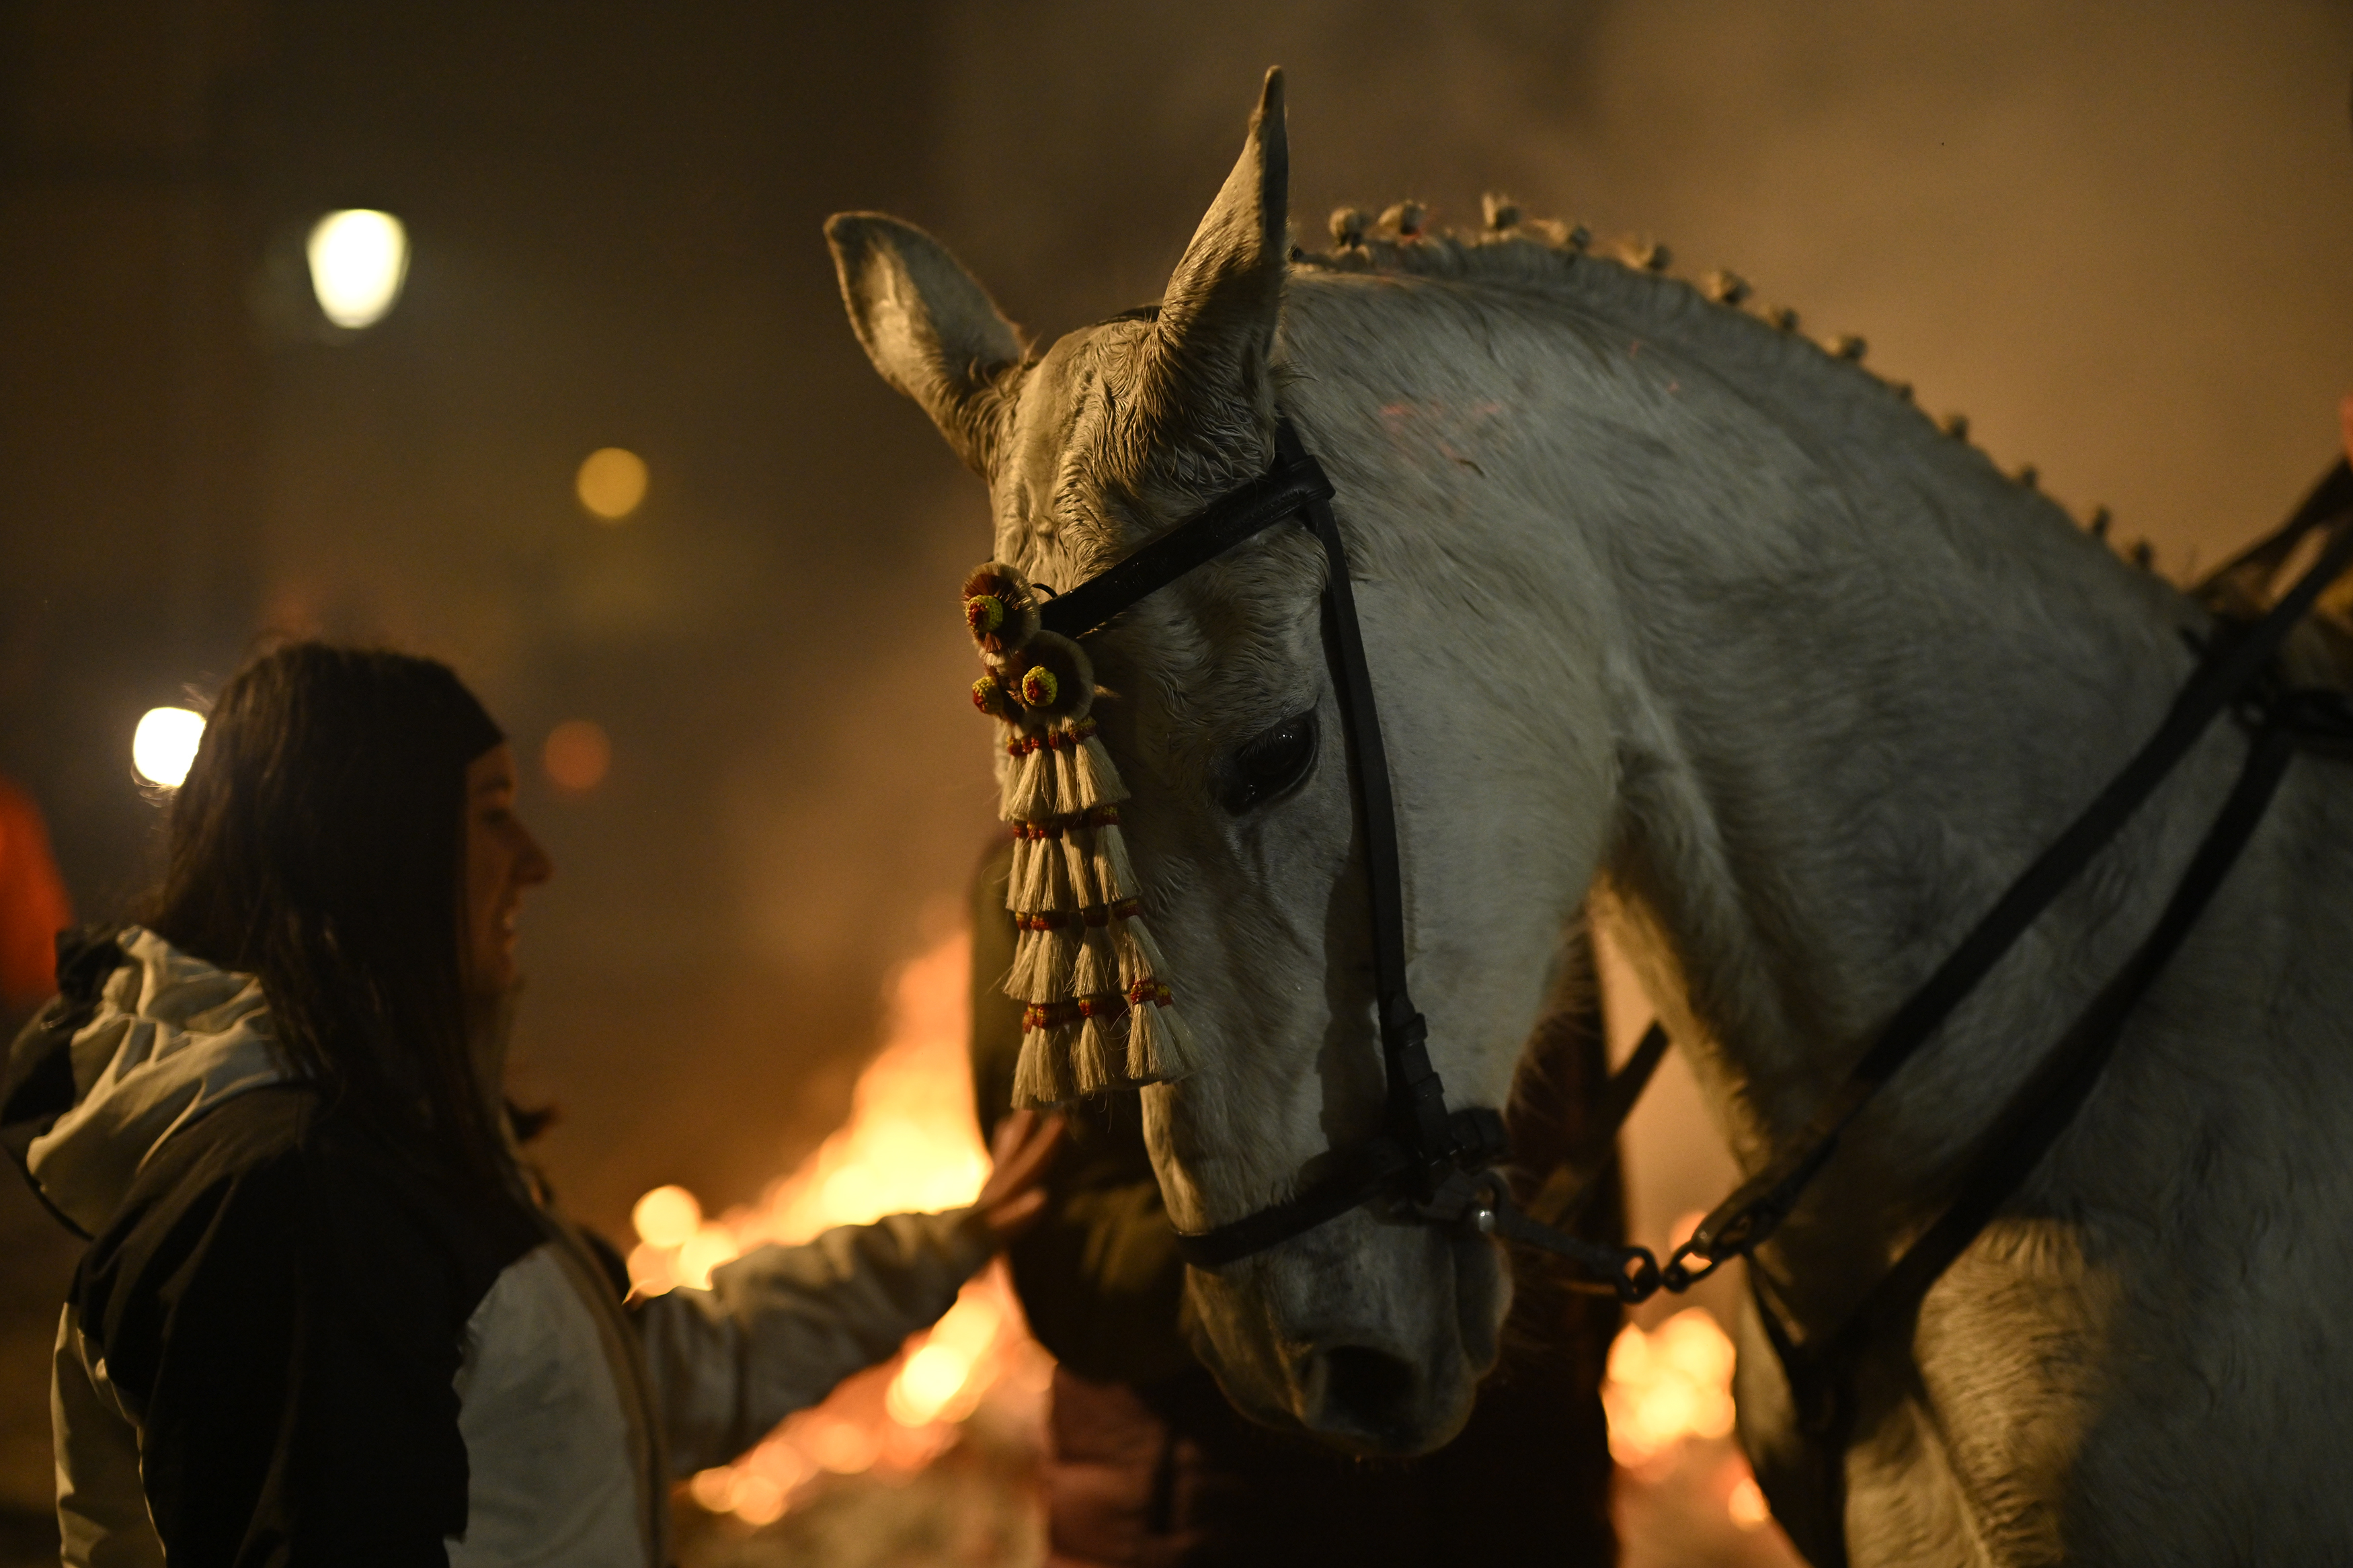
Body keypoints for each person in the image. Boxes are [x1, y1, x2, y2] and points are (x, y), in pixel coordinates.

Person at [0, 642, 1064, 1567]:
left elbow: (625, 1391)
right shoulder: (291, 1205)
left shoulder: (375, 1155)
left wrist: (943, 1247)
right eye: (493, 816)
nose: (537, 863)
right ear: (377, 848)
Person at [965, 841, 1621, 1567]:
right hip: (1223, 1521)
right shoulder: (1074, 877)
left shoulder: (1516, 850)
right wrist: (1345, 1201)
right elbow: (1083, 1281)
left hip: (1523, 1512)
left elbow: (1582, 1207)